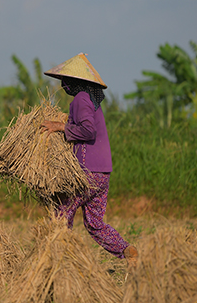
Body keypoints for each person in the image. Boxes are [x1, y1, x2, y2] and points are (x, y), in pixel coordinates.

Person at [40, 53, 138, 267]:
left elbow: (87, 130)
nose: (63, 85)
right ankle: (126, 250)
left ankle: (61, 262)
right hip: (102, 173)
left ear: (74, 81)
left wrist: (59, 127)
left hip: (87, 171)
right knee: (95, 223)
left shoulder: (81, 99)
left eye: (65, 81)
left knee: (61, 216)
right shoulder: (91, 102)